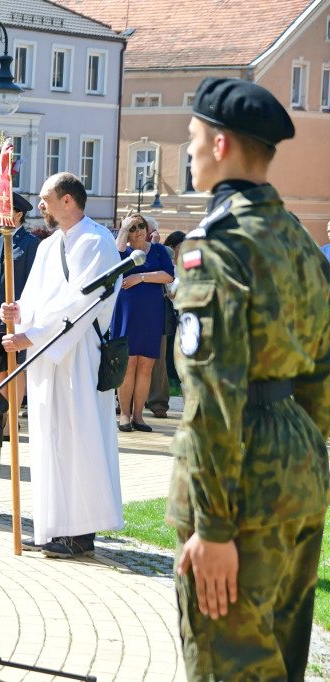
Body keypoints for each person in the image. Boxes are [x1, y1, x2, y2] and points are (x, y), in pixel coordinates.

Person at [168, 77, 330, 681]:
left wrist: (212, 528)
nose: (187, 152)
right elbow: (322, 374)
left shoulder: (215, 248)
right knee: (281, 664)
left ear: (220, 143)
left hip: (239, 485)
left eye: (191, 139)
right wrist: (304, 459)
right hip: (299, 470)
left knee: (226, 665)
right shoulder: (297, 240)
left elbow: (212, 397)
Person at [0, 172, 122, 558]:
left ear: (68, 200)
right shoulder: (50, 245)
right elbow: (39, 297)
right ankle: (54, 527)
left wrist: (32, 334)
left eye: (45, 198)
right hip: (46, 354)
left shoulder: (97, 241)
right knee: (50, 438)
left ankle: (81, 531)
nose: (40, 205)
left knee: (77, 437)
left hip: (78, 352)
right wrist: (18, 313)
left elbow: (82, 302)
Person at [0, 194, 39, 439]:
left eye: (5, 210)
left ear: (18, 214)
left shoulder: (30, 243)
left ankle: (10, 425)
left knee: (16, 370)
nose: (0, 215)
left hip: (17, 316)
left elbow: (34, 284)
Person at [111, 210, 175, 432]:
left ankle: (139, 416)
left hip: (151, 314)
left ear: (148, 230)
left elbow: (168, 275)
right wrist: (123, 228)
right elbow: (114, 262)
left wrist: (140, 277)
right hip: (126, 313)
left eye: (141, 226)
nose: (137, 230)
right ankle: (125, 415)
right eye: (132, 228)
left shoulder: (158, 250)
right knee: (128, 365)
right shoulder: (121, 250)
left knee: (146, 366)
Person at [146, 229, 186, 418]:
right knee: (157, 358)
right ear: (172, 247)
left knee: (165, 361)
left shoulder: (188, 265)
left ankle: (159, 400)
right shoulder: (166, 261)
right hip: (166, 312)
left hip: (181, 315)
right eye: (180, 247)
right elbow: (170, 291)